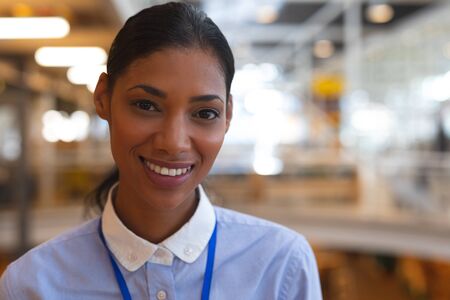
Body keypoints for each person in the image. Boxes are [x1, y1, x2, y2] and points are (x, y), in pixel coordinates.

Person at [0, 2, 322, 299]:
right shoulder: (32, 285)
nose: (174, 142)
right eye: (146, 105)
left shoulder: (281, 268)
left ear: (227, 116)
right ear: (103, 98)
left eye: (205, 113)